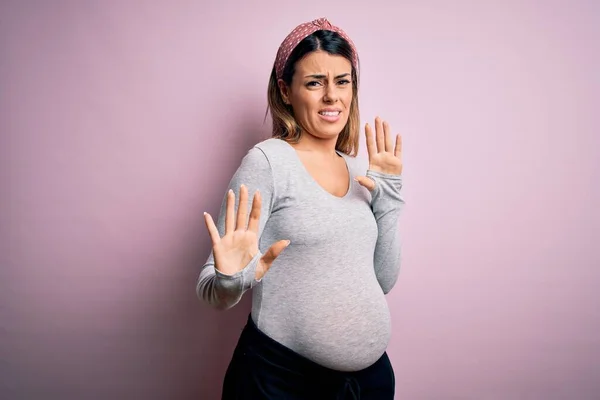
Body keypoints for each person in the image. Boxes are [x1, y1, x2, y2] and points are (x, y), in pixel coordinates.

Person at [197, 17, 405, 399]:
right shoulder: (269, 162)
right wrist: (231, 278)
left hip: (370, 384)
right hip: (284, 382)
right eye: (314, 82)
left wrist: (390, 194)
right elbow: (213, 291)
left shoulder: (360, 169)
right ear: (285, 90)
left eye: (343, 81)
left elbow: (384, 280)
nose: (332, 96)